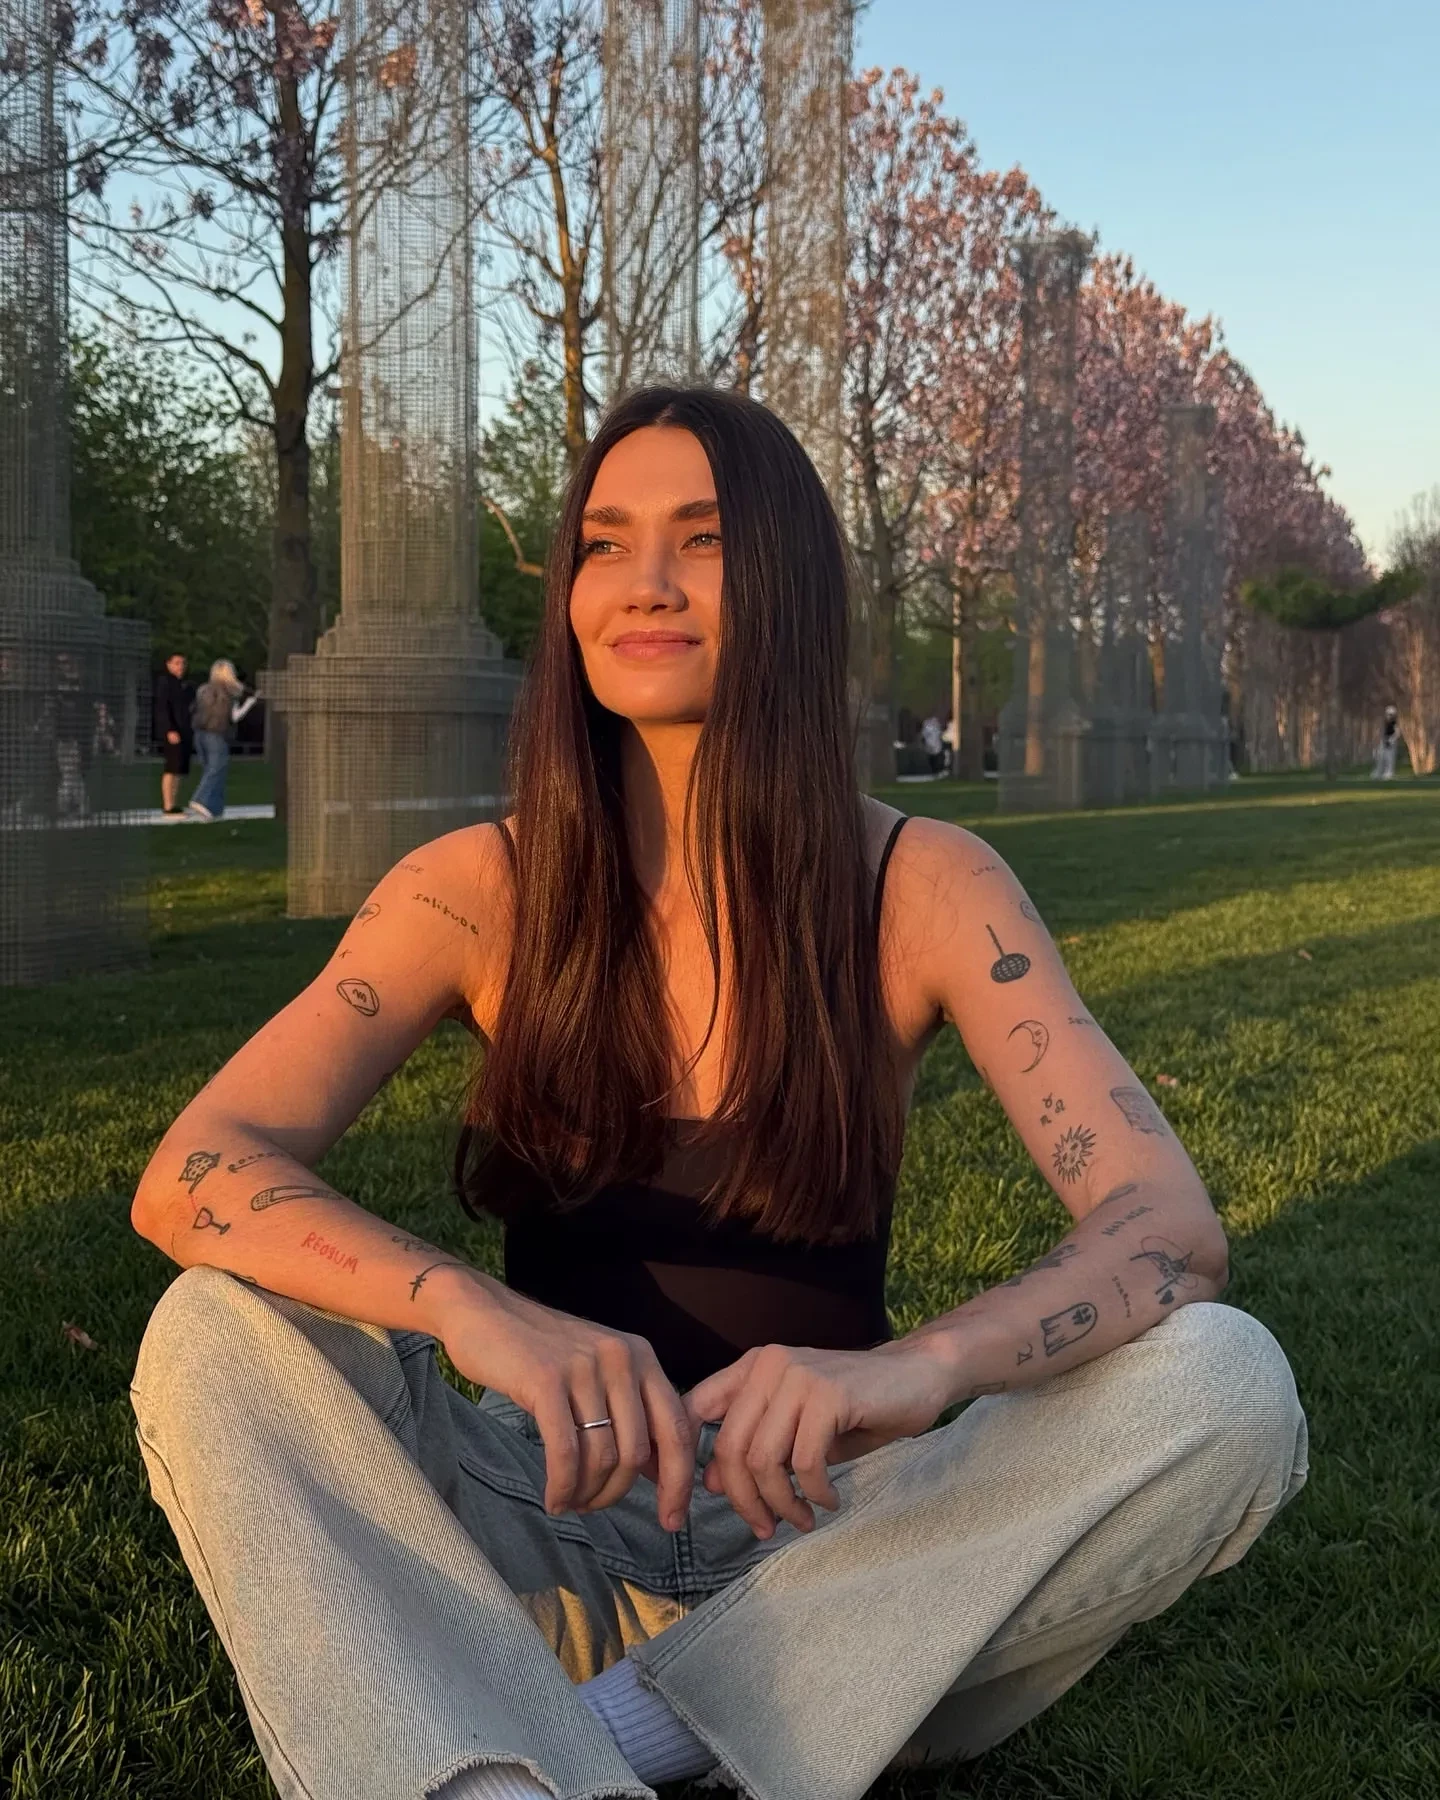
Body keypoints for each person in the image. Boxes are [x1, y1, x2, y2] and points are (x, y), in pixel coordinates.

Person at [128, 388, 1307, 1800]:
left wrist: (918, 1370)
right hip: (536, 1520)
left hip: (837, 1549)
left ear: (789, 584)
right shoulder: (476, 888)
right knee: (208, 1334)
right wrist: (474, 1310)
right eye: (605, 544)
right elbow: (195, 1168)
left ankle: (619, 1727)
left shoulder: (925, 887)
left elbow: (1167, 1228)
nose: (647, 584)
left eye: (703, 539)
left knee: (1229, 1384)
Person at [185, 659, 257, 821]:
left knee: (210, 769)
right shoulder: (229, 692)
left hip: (200, 732)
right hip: (216, 734)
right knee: (216, 769)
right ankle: (199, 799)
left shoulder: (203, 690)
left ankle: (214, 809)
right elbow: (234, 717)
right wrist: (249, 704)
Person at [152, 652, 194, 817]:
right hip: (173, 731)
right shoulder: (165, 682)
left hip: (183, 730)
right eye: (177, 663)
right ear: (168, 664)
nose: (181, 666)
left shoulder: (182, 684)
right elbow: (162, 708)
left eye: (183, 663)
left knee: (178, 768)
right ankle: (168, 806)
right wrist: (169, 729)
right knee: (171, 767)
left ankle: (173, 804)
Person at [1371, 704, 1400, 781]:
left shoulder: (1394, 724)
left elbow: (1397, 734)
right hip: (1384, 741)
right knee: (1380, 758)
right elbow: (1382, 732)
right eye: (1388, 714)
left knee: (1389, 759)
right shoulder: (1385, 723)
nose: (1389, 716)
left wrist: (1392, 740)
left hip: (1391, 743)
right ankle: (1378, 772)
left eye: (1390, 715)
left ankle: (1389, 773)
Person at [920, 712, 944, 777]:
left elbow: (939, 733)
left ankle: (936, 771)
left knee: (935, 758)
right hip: (931, 743)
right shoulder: (927, 723)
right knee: (933, 758)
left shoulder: (935, 723)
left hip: (934, 743)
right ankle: (934, 771)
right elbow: (924, 733)